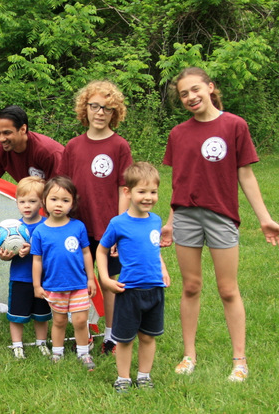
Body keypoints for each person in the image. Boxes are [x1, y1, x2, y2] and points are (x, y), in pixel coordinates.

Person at [161, 67, 279, 382]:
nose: (191, 97)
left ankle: (239, 360)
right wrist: (170, 221)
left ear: (209, 87)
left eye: (195, 89)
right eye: (184, 94)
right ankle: (188, 356)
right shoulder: (178, 134)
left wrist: (264, 218)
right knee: (191, 286)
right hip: (187, 217)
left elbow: (245, 174)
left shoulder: (234, 125)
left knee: (228, 289)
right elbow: (180, 182)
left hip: (221, 216)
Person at [58, 80, 132, 355]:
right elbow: (63, 186)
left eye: (107, 108)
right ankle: (83, 331)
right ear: (84, 109)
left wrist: (120, 226)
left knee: (107, 280)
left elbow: (124, 188)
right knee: (77, 279)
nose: (100, 112)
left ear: (115, 113)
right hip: (77, 226)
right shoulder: (74, 146)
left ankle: (111, 336)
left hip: (107, 226)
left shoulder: (119, 146)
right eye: (95, 106)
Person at [97, 162, 170, 393]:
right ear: (127, 192)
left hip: (154, 290)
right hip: (128, 291)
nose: (148, 197)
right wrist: (106, 278)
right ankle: (123, 378)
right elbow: (101, 250)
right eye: (142, 191)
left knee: (148, 337)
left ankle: (144, 376)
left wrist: (163, 268)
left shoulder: (156, 220)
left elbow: (153, 249)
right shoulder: (118, 223)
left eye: (153, 192)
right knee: (125, 339)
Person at [31, 176, 97, 371]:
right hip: (54, 285)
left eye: (65, 200)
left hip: (78, 284)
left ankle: (83, 352)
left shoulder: (78, 227)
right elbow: (37, 260)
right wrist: (37, 285)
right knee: (59, 321)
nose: (59, 204)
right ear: (44, 200)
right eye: (54, 199)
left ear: (72, 204)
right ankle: (57, 353)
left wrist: (91, 278)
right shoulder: (40, 231)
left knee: (80, 320)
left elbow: (86, 253)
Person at [0, 176, 51, 359]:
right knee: (16, 314)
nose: (27, 206)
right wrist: (4, 256)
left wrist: (33, 250)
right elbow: (4, 253)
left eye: (32, 201)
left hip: (43, 280)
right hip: (20, 278)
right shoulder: (11, 228)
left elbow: (51, 252)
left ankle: (41, 343)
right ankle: (17, 345)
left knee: (41, 314)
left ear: (42, 202)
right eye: (22, 201)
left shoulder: (47, 225)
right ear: (17, 202)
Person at [0, 104, 64, 182]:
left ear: (23, 129)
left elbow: (62, 188)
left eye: (7, 133)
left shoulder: (47, 152)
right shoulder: (0, 149)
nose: (1, 139)